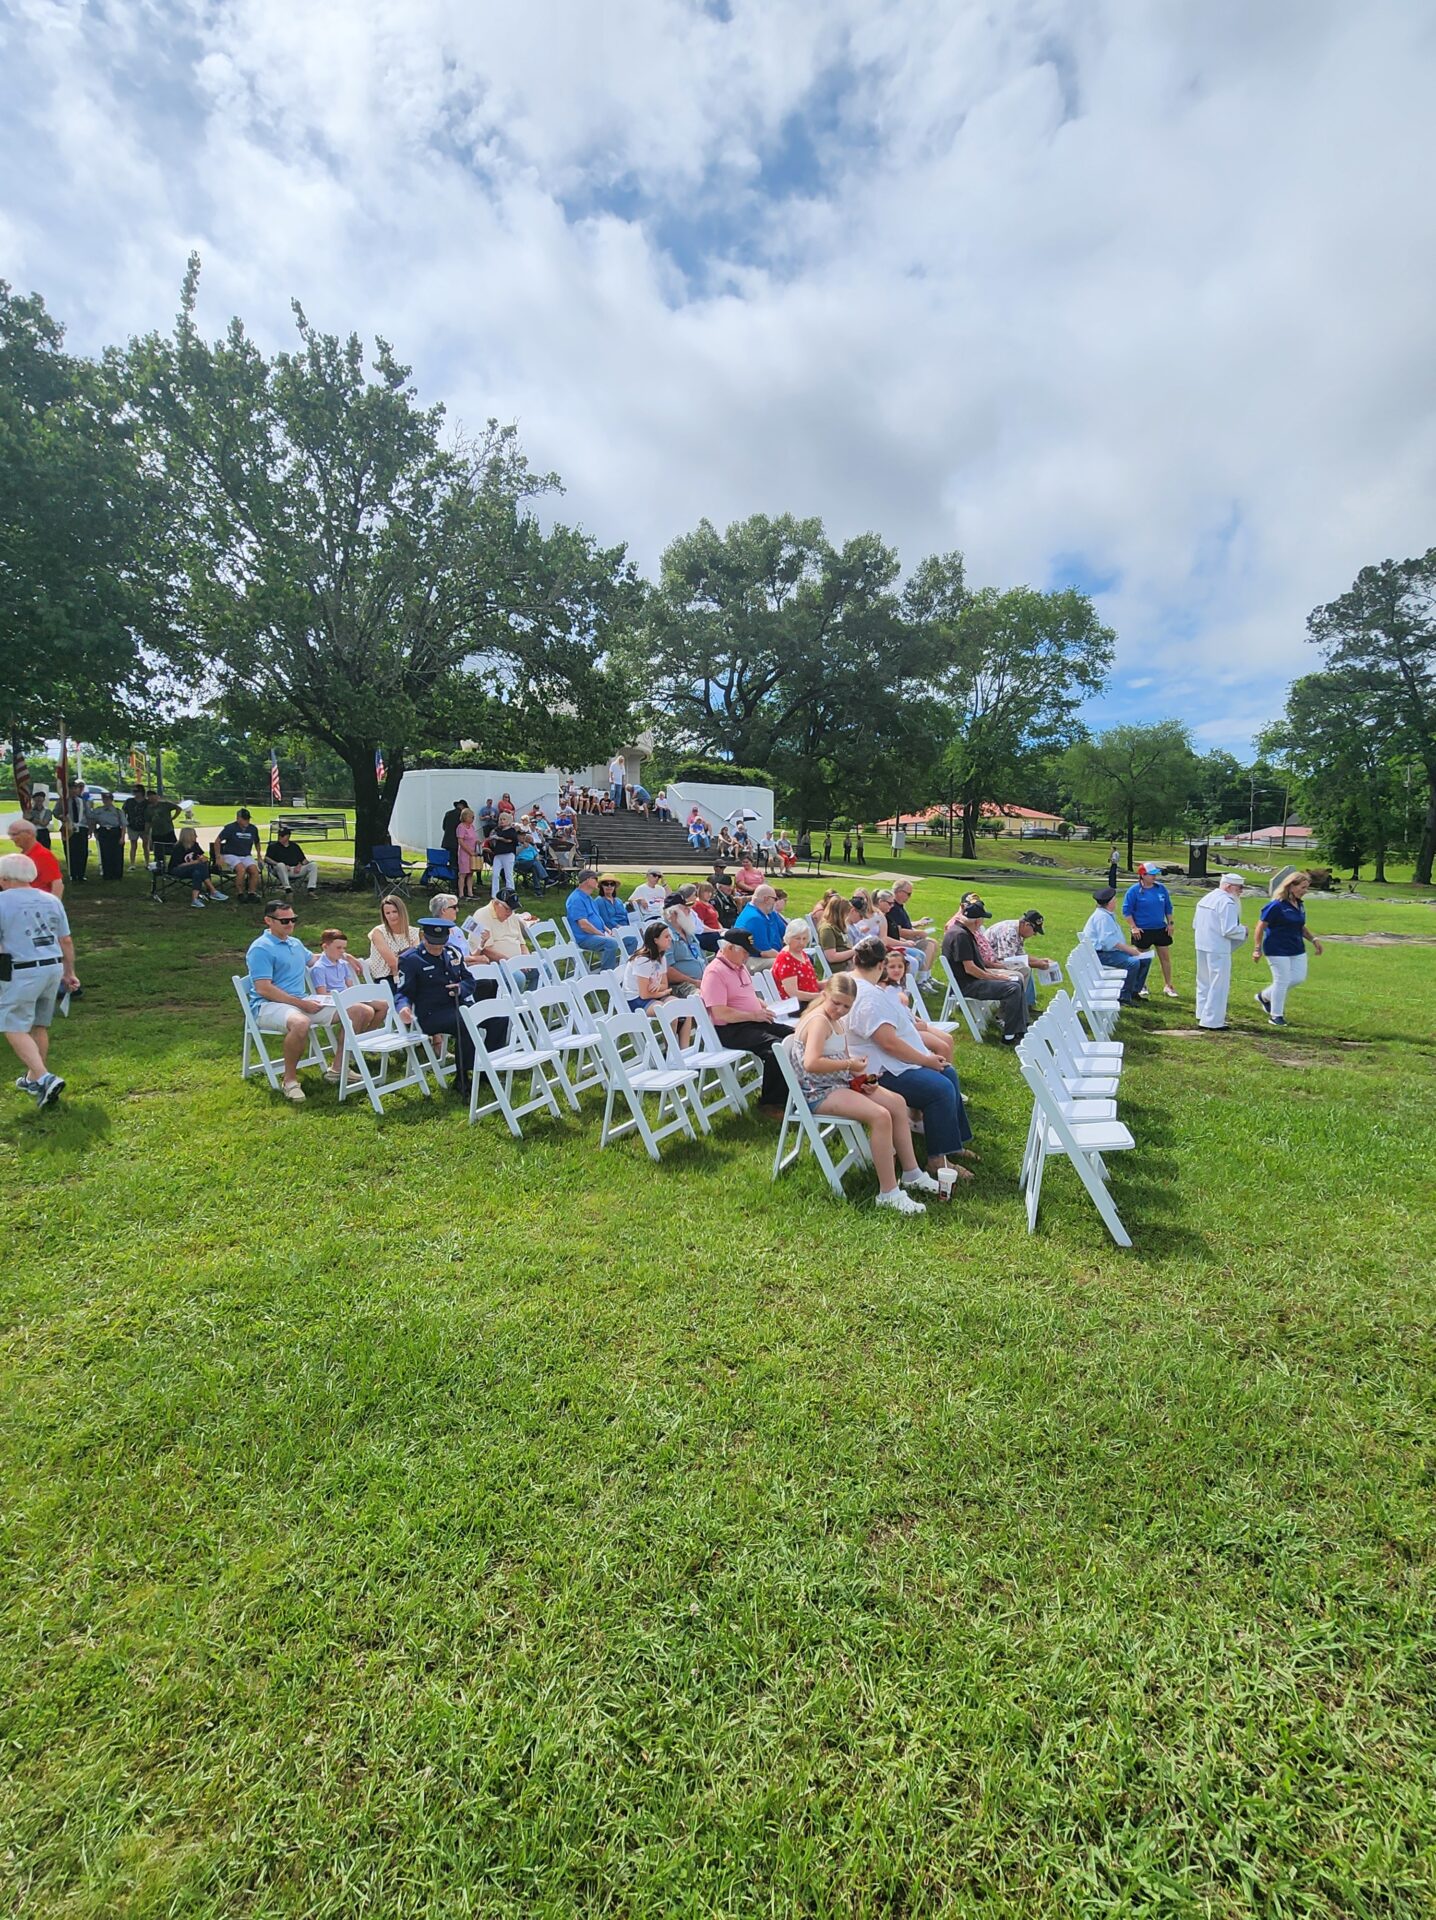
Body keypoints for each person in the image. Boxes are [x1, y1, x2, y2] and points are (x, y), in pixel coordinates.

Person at [784, 975, 933, 1214]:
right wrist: (849, 1065)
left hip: (840, 1082)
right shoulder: (819, 1021)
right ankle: (888, 1193)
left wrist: (863, 1078)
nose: (840, 1010)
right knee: (880, 1116)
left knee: (897, 1103)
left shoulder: (836, 1021)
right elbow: (811, 1063)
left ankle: (912, 1173)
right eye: (836, 1003)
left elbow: (844, 1060)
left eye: (847, 1006)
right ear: (824, 995)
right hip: (819, 1092)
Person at [847, 938, 974, 1177]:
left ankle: (952, 1144)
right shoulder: (866, 996)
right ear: (881, 965)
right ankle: (936, 1160)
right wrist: (925, 1060)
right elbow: (888, 1042)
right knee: (939, 1089)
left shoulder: (862, 985)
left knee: (948, 1073)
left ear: (855, 960)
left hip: (887, 1062)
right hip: (875, 1072)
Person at [0, 851, 79, 1107]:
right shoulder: (51, 900)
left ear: (4, 877)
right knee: (39, 1025)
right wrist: (69, 972)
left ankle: (44, 1077)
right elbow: (65, 939)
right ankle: (34, 1078)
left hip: (21, 969)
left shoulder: (2, 902)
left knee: (11, 1024)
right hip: (52, 966)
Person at [244, 899, 339, 1101]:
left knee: (357, 1011)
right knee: (301, 1023)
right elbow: (263, 988)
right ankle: (290, 1081)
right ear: (268, 921)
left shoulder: (294, 943)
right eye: (285, 921)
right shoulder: (260, 948)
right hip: (267, 1006)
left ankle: (338, 1069)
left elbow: (316, 960)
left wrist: (345, 956)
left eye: (293, 919)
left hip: (300, 1001)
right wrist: (301, 1004)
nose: (290, 924)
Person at [699, 928, 788, 1109]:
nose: (748, 956)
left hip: (752, 1021)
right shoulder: (715, 972)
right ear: (729, 948)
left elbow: (743, 995)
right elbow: (720, 1013)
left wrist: (759, 1005)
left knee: (793, 1036)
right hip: (731, 1029)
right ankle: (772, 1103)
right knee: (776, 1049)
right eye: (745, 952)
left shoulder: (739, 966)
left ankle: (796, 1090)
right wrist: (753, 1015)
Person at [393, 918, 484, 1096]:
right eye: (432, 944)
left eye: (440, 944)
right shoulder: (411, 959)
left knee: (497, 1019)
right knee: (466, 1024)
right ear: (424, 938)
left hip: (458, 1005)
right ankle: (463, 1076)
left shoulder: (453, 952)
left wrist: (460, 988)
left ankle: (488, 1070)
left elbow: (469, 980)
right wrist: (403, 1008)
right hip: (431, 1014)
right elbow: (402, 992)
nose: (437, 948)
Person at [309, 929, 390, 1083]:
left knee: (384, 1005)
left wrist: (356, 996)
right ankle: (344, 1058)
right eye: (338, 948)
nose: (342, 951)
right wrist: (349, 997)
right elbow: (322, 994)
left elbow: (350, 985)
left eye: (344, 948)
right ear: (325, 947)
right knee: (365, 1011)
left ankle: (362, 1040)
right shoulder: (319, 968)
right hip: (334, 1001)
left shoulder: (343, 964)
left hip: (348, 997)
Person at [941, 898, 1028, 1041]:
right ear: (976, 921)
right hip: (968, 985)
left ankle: (1020, 1028)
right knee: (1012, 988)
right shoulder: (961, 936)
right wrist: (997, 977)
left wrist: (995, 974)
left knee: (1016, 981)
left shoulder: (961, 931)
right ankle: (1009, 1035)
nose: (982, 923)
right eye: (982, 919)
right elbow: (970, 969)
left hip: (970, 980)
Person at [1254, 871, 1322, 1027]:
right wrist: (1257, 948)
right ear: (1291, 886)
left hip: (1296, 947)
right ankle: (1276, 1015)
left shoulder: (1300, 905)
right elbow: (1260, 927)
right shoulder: (1276, 906)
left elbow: (1300, 926)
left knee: (1298, 977)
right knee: (1282, 980)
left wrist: (1313, 940)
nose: (1305, 891)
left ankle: (1264, 996)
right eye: (1302, 887)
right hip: (1277, 948)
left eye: (1307, 887)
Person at [1193, 873, 1249, 1030]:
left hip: (1202, 943)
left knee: (1204, 981)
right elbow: (1229, 930)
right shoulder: (1227, 902)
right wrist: (1244, 930)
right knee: (1219, 984)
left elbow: (1195, 923)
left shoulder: (1206, 898)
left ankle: (1202, 1012)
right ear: (1229, 887)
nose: (1241, 891)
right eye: (1239, 888)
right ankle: (1212, 1020)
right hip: (1218, 946)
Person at [1080, 887, 1152, 1005]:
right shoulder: (1102, 917)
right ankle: (1123, 996)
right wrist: (1131, 951)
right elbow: (1108, 942)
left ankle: (1134, 991)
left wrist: (1130, 950)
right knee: (1133, 963)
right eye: (1114, 900)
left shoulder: (1106, 915)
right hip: (1100, 955)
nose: (1116, 902)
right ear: (1109, 903)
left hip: (1108, 952)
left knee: (1145, 959)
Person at [1123, 864, 1179, 997]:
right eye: (1151, 874)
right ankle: (1141, 985)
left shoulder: (1161, 888)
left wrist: (1170, 923)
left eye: (1155, 874)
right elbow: (1127, 911)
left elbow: (1168, 907)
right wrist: (1133, 927)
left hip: (1160, 929)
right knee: (1141, 959)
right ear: (1143, 875)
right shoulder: (1134, 891)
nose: (1154, 876)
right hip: (1142, 930)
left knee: (1165, 958)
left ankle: (1168, 985)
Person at [984, 909, 1053, 1012]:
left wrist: (1040, 960)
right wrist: (1038, 964)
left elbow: (1021, 956)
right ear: (1027, 925)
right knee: (1023, 970)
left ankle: (1026, 1006)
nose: (1034, 934)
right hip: (988, 965)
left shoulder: (1017, 932)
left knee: (1025, 968)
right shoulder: (1009, 932)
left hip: (995, 961)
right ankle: (1009, 1011)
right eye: (1034, 930)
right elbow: (1009, 961)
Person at [880, 881, 938, 984]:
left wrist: (918, 923)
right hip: (902, 940)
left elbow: (904, 925)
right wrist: (917, 933)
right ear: (899, 892)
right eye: (908, 894)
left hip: (904, 939)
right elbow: (898, 931)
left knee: (934, 942)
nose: (909, 897)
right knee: (928, 945)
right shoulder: (893, 909)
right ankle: (921, 980)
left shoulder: (899, 907)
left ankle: (927, 976)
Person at [565, 869, 624, 971]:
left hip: (598, 933)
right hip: (585, 938)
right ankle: (607, 973)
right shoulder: (576, 899)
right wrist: (601, 934)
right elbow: (584, 925)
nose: (597, 881)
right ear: (588, 880)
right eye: (595, 879)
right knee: (611, 943)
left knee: (629, 938)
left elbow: (597, 918)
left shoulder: (588, 898)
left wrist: (606, 929)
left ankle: (625, 968)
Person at [170, 825, 227, 906]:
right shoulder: (178, 847)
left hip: (193, 870)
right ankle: (213, 891)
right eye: (194, 834)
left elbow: (201, 856)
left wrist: (204, 858)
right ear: (188, 836)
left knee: (197, 873)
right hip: (177, 870)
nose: (196, 836)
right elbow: (178, 865)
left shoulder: (195, 845)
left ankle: (195, 899)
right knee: (199, 866)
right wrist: (196, 862)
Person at [366, 893, 415, 986]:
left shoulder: (413, 932)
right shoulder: (378, 932)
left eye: (394, 912)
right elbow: (393, 963)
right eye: (387, 913)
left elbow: (416, 959)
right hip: (386, 979)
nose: (392, 916)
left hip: (409, 975)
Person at [5, 819, 64, 897]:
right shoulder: (25, 854)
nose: (11, 838)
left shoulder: (43, 855)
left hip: (38, 902)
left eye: (15, 834)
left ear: (29, 834)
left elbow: (57, 884)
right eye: (10, 835)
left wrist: (52, 903)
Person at [734, 884, 786, 969]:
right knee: (786, 964)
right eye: (775, 899)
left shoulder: (770, 913)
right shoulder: (754, 918)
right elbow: (765, 952)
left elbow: (787, 934)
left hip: (771, 954)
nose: (775, 902)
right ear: (766, 899)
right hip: (752, 959)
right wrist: (787, 957)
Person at [216, 808, 263, 898]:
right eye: (244, 819)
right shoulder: (230, 828)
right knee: (241, 869)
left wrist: (259, 855)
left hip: (246, 855)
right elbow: (218, 841)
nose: (247, 821)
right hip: (231, 854)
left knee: (254, 870)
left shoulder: (253, 829)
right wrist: (218, 856)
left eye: (248, 819)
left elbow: (257, 842)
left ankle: (252, 893)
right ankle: (240, 893)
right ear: (238, 818)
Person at [772, 922, 822, 1006]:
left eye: (804, 939)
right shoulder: (786, 958)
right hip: (796, 1005)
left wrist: (829, 983)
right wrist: (819, 996)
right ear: (789, 938)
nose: (801, 943)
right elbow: (793, 993)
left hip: (810, 999)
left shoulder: (801, 953)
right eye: (797, 939)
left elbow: (810, 982)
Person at [663, 894, 707, 984]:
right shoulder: (666, 936)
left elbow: (703, 958)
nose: (689, 911)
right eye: (685, 909)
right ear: (673, 914)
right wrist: (695, 982)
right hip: (683, 985)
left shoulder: (688, 931)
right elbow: (667, 970)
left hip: (703, 980)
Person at [265, 825, 320, 896]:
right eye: (279, 835)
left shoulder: (294, 846)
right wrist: (279, 864)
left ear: (288, 836)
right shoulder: (273, 846)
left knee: (313, 865)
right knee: (281, 865)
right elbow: (267, 859)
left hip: (295, 870)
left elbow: (304, 860)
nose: (280, 837)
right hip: (281, 871)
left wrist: (300, 865)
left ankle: (311, 890)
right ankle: (288, 890)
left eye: (282, 836)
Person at [817, 894, 861, 971]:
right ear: (840, 914)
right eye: (846, 914)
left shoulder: (838, 927)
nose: (847, 917)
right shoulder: (827, 929)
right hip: (842, 968)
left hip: (850, 963)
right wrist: (855, 951)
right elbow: (831, 957)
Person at [487, 809, 518, 898]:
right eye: (500, 819)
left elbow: (509, 840)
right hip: (498, 854)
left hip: (508, 854)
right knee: (495, 874)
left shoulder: (511, 831)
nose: (502, 821)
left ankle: (511, 893)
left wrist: (498, 838)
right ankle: (494, 894)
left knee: (508, 875)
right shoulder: (498, 830)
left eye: (504, 819)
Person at [452, 807, 479, 899]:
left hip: (473, 853)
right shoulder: (461, 827)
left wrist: (478, 843)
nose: (473, 819)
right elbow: (461, 841)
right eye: (471, 817)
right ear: (465, 817)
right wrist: (469, 851)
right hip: (464, 853)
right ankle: (461, 894)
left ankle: (470, 893)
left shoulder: (472, 827)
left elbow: (474, 838)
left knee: (470, 873)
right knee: (463, 873)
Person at [690, 882, 723, 952]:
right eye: (706, 892)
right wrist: (716, 931)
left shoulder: (710, 905)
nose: (709, 894)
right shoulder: (698, 905)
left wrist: (722, 930)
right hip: (707, 934)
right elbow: (700, 926)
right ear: (700, 892)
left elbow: (716, 921)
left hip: (716, 931)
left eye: (710, 892)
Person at [123, 784, 149, 865]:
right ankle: (132, 864)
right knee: (133, 845)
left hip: (144, 827)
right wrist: (124, 822)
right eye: (133, 791)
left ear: (141, 792)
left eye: (136, 791)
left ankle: (147, 863)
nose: (134, 793)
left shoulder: (147, 802)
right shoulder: (129, 801)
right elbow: (123, 812)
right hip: (132, 826)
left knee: (145, 845)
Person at [440, 799, 466, 866]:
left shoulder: (448, 813)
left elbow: (444, 827)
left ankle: (450, 871)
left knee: (450, 860)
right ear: (462, 806)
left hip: (447, 841)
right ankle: (454, 871)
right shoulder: (462, 816)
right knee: (456, 861)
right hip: (456, 842)